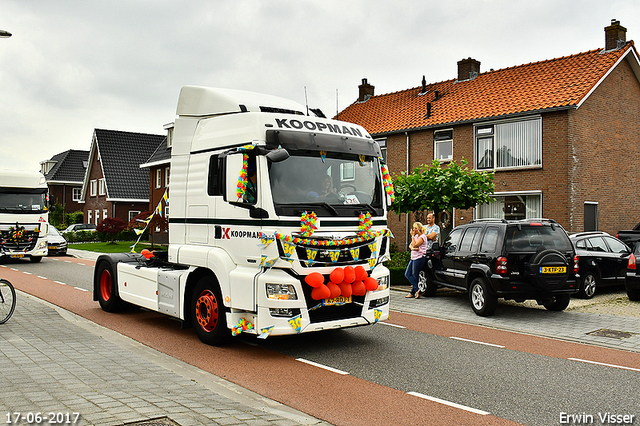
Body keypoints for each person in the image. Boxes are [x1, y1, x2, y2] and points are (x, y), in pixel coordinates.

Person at [405, 222, 429, 299]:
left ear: (417, 229)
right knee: (407, 274)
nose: (413, 230)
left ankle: (413, 292)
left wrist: (412, 239)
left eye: (414, 228)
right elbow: (411, 245)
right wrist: (413, 248)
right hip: (413, 257)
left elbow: (415, 245)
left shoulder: (422, 237)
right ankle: (417, 290)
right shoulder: (416, 236)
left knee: (415, 274)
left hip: (419, 257)